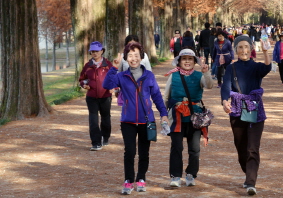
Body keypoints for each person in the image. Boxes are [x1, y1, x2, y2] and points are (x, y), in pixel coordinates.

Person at [103, 42, 169, 195]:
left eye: (136, 55)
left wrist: (163, 114)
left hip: (147, 120)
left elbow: (157, 97)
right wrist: (113, 67)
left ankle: (141, 178)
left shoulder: (149, 76)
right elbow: (107, 84)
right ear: (126, 58)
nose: (133, 58)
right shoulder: (121, 76)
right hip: (128, 120)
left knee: (144, 152)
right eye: (130, 56)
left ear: (141, 57)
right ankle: (128, 181)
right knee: (130, 151)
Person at [221, 35, 271, 196]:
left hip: (255, 109)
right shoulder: (231, 67)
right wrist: (224, 101)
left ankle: (251, 182)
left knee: (252, 148)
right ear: (236, 50)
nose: (243, 50)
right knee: (241, 147)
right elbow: (225, 86)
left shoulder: (256, 67)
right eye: (240, 47)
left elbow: (267, 68)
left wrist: (265, 52)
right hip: (236, 110)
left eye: (246, 47)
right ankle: (248, 173)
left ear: (251, 49)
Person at [164, 48, 213, 188]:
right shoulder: (173, 76)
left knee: (194, 148)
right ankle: (175, 176)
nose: (187, 61)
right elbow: (166, 97)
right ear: (179, 61)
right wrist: (165, 115)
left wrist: (207, 73)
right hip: (177, 116)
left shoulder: (199, 76)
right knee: (176, 147)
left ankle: (191, 174)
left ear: (194, 61)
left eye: (190, 59)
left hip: (195, 117)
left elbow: (209, 85)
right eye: (184, 58)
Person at [79, 41, 113, 151]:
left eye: (96, 51)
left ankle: (105, 137)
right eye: (92, 51)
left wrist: (114, 87)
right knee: (93, 120)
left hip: (105, 96)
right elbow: (82, 79)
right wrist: (84, 85)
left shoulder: (108, 65)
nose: (94, 53)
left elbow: (114, 78)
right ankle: (96, 143)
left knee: (106, 118)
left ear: (102, 51)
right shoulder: (87, 66)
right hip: (91, 97)